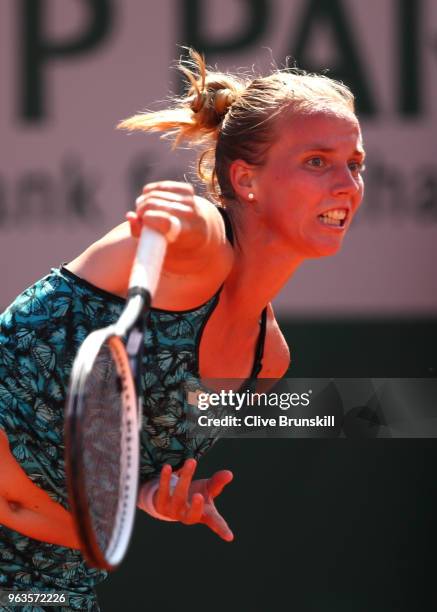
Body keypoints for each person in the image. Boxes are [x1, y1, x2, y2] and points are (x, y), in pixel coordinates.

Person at [0, 49, 365, 609]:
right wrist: (177, 211)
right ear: (245, 179)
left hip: (47, 584)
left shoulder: (267, 362)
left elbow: (111, 464)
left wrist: (157, 496)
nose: (346, 183)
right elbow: (194, 228)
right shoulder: (201, 250)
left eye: (354, 164)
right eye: (318, 161)